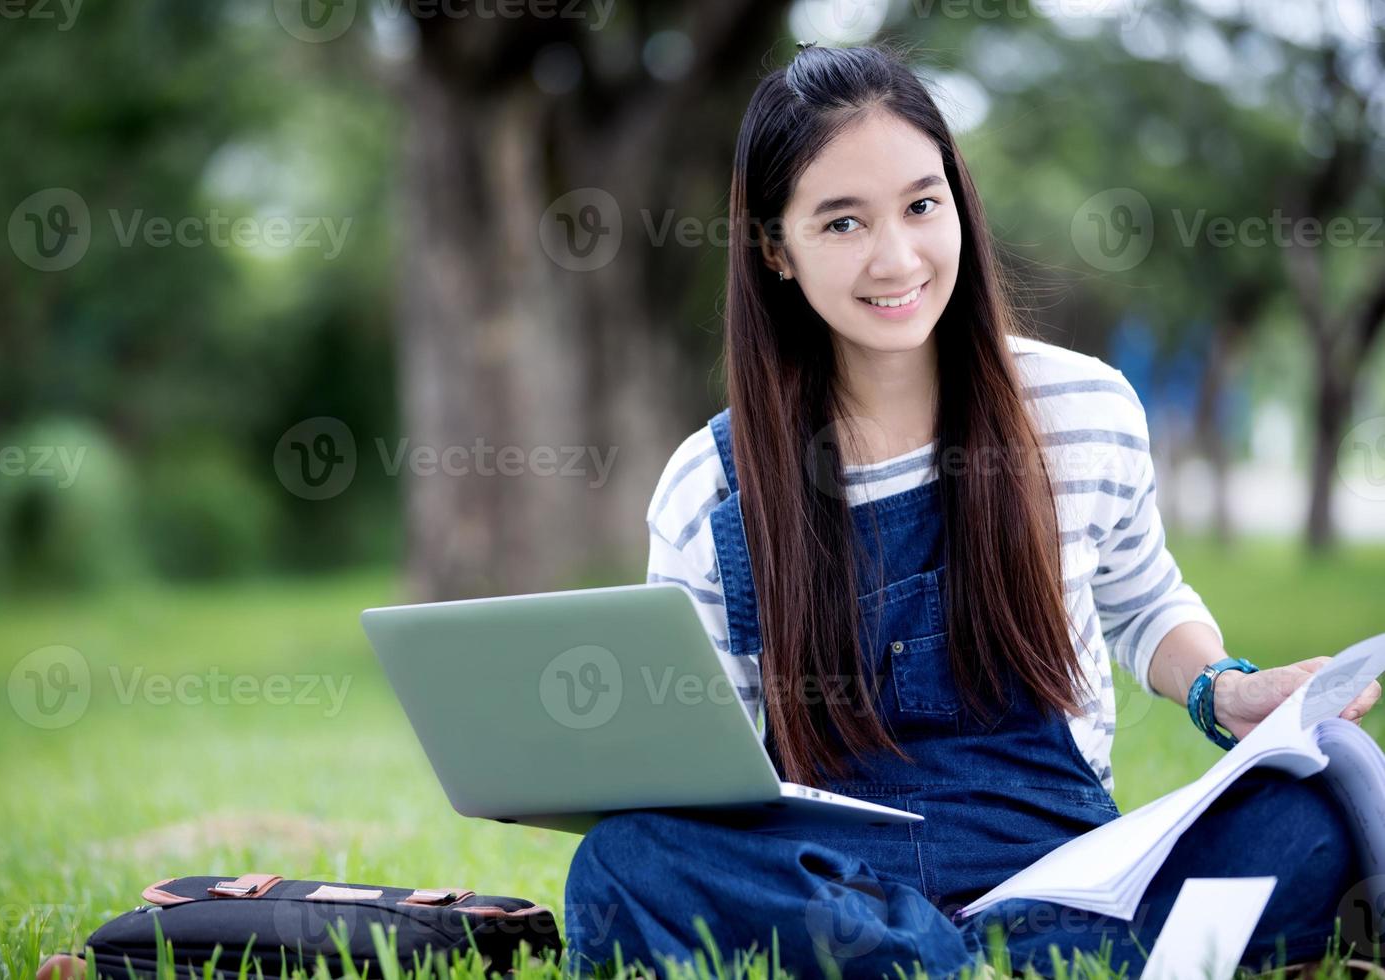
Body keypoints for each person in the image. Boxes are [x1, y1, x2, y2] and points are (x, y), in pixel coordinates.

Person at [563, 40, 1380, 979]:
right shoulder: (711, 486)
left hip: (1067, 876)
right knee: (626, 861)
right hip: (843, 892)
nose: (898, 256)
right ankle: (979, 963)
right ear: (774, 250)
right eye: (842, 223)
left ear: (958, 200)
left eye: (921, 204)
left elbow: (1144, 598)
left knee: (1324, 807)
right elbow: (708, 781)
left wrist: (1227, 691)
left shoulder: (1082, 408)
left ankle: (956, 962)